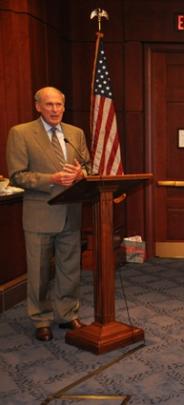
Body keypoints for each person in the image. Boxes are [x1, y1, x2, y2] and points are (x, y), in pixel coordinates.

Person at [6, 86, 90, 342]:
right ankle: (41, 319)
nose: (55, 110)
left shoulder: (75, 133)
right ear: (38, 106)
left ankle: (67, 313)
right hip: (40, 214)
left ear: (64, 107)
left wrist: (81, 174)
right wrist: (52, 178)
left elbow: (87, 165)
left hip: (71, 213)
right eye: (49, 105)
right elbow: (17, 175)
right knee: (39, 272)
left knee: (70, 269)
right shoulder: (21, 133)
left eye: (59, 105)